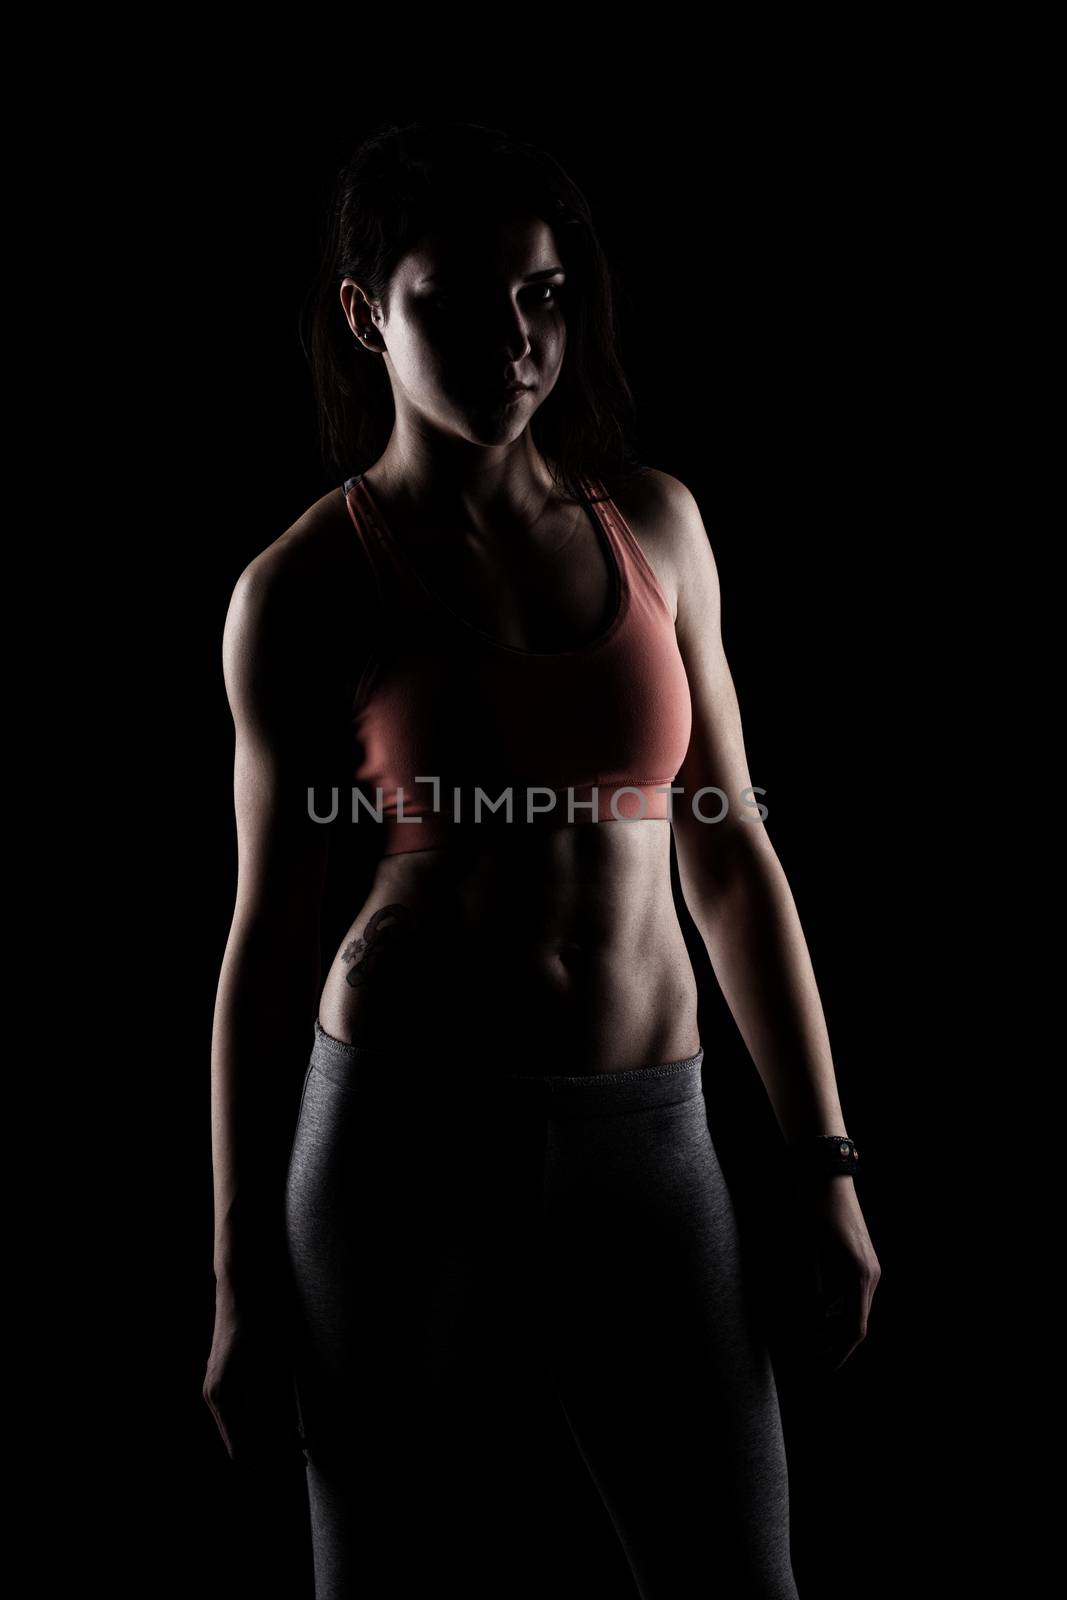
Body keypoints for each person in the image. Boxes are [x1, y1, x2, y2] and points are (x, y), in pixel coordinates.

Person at [202, 120, 881, 1600]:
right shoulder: (304, 588)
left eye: (547, 296)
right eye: (458, 304)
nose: (518, 343)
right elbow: (267, 939)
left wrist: (824, 1161)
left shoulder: (657, 527)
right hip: (400, 1152)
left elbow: (730, 857)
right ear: (365, 311)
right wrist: (238, 1269)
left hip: (654, 1138)